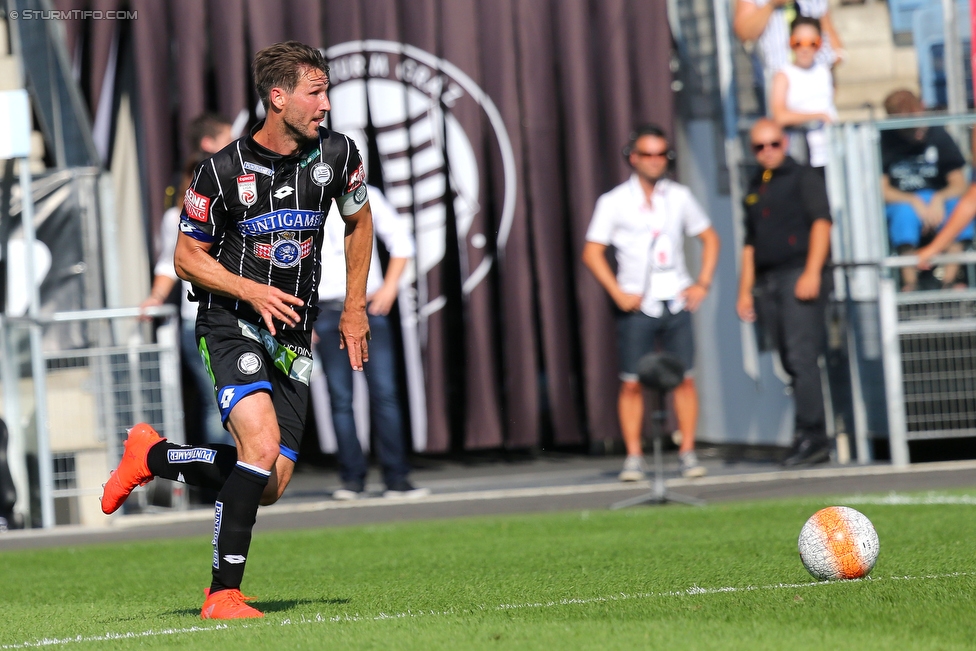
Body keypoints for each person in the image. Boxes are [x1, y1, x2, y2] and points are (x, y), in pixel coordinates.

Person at [100, 41, 373, 620]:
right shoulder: (221, 170)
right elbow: (184, 258)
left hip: (294, 334)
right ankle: (222, 593)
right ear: (279, 98)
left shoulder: (340, 154)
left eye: (326, 91)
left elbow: (358, 220)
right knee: (260, 446)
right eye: (315, 92)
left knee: (268, 481)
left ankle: (154, 457)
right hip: (230, 322)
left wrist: (354, 307)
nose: (325, 104)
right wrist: (250, 290)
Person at [582, 125, 720, 481]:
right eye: (648, 155)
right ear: (633, 157)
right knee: (631, 381)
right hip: (636, 303)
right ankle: (633, 455)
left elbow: (709, 237)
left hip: (674, 297)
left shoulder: (678, 196)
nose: (656, 161)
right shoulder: (613, 202)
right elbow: (593, 251)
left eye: (662, 155)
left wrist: (701, 283)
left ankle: (687, 451)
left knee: (684, 379)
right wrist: (616, 291)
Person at [315, 184, 428, 500]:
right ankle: (352, 478)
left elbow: (402, 242)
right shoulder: (303, 195)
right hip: (325, 310)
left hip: (365, 306)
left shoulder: (366, 195)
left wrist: (391, 287)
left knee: (385, 392)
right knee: (339, 398)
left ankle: (397, 477)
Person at [736, 119, 833, 467]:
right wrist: (744, 291)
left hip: (798, 274)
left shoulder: (803, 177)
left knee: (802, 357)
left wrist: (811, 271)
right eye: (759, 147)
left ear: (785, 142)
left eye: (773, 144)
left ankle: (815, 436)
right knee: (788, 362)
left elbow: (822, 223)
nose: (767, 152)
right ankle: (803, 432)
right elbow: (749, 243)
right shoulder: (755, 185)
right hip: (769, 280)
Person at [140, 114, 234, 446]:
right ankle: (221, 480)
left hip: (239, 314)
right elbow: (170, 263)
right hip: (201, 317)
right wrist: (155, 297)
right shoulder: (176, 217)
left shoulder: (237, 207)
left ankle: (246, 476)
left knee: (244, 399)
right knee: (218, 402)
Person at [881, 89, 969, 291]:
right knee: (903, 214)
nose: (918, 131)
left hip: (939, 197)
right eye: (909, 128)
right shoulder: (885, 140)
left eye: (919, 123)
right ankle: (910, 283)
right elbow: (882, 189)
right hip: (904, 200)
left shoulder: (938, 134)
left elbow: (959, 183)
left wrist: (939, 197)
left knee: (958, 210)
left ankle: (950, 281)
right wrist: (913, 201)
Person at [769, 16, 836, 171]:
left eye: (812, 43)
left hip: (830, 149)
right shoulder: (784, 75)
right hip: (803, 155)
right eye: (798, 43)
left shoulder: (824, 71)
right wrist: (817, 116)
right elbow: (779, 116)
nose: (805, 49)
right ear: (790, 43)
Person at [733, 0, 844, 76]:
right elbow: (744, 32)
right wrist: (772, 4)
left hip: (813, 76)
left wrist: (837, 57)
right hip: (775, 78)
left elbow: (828, 30)